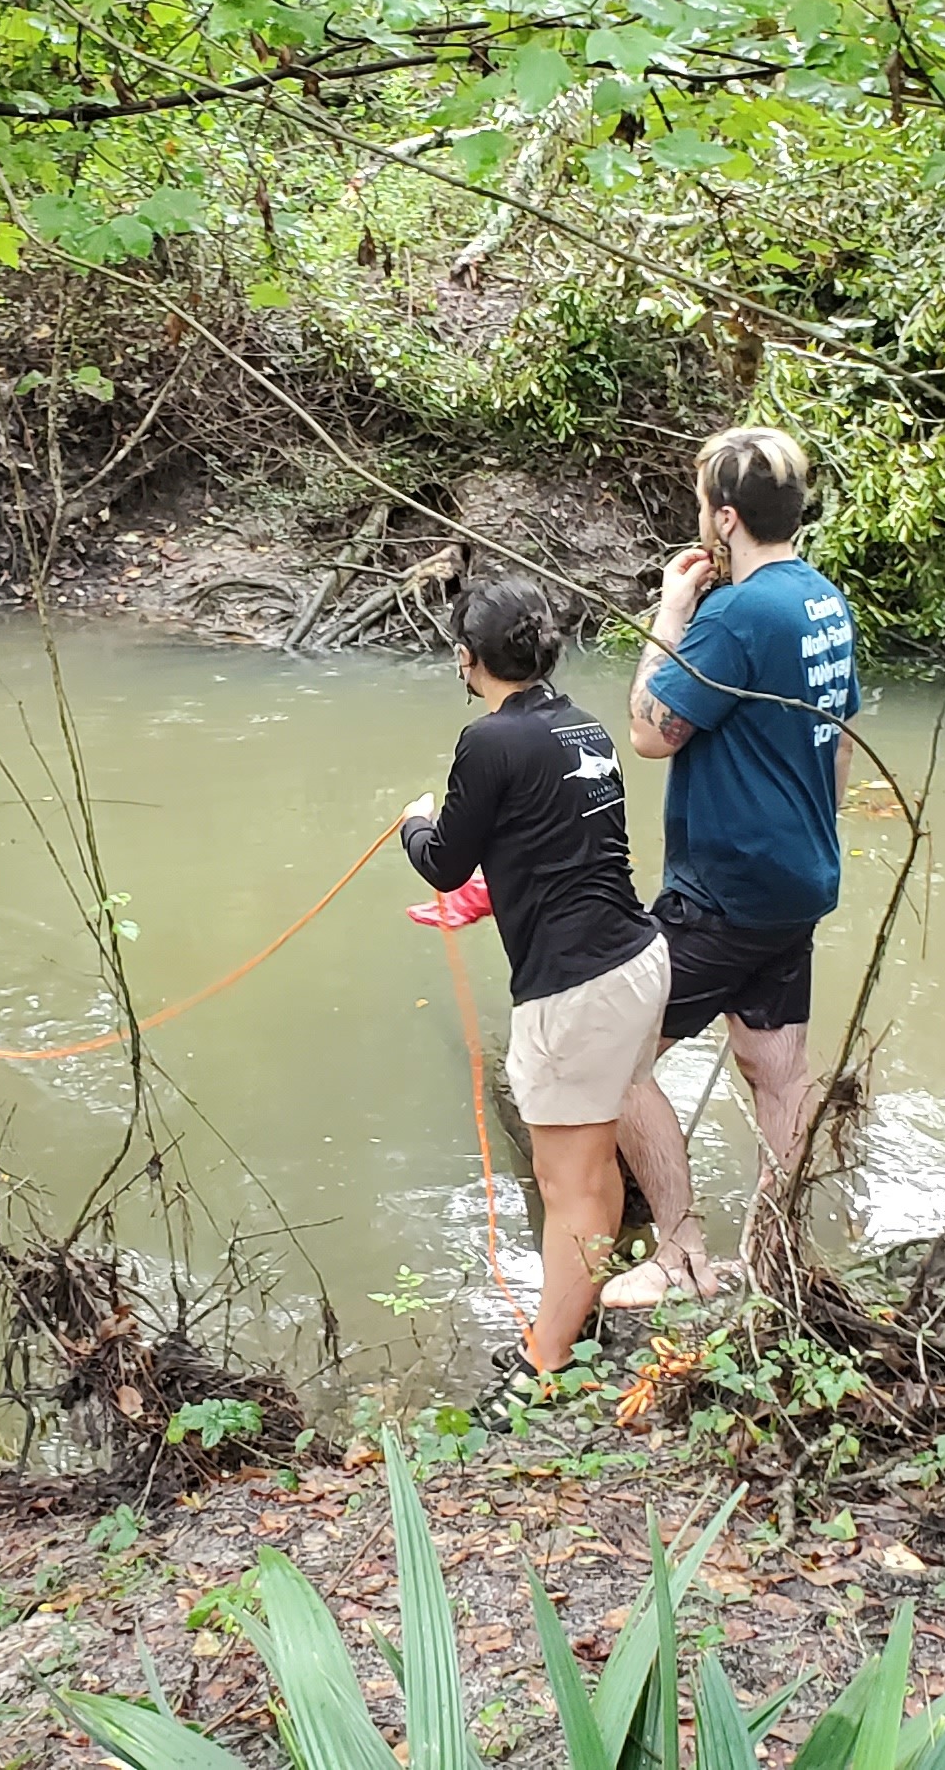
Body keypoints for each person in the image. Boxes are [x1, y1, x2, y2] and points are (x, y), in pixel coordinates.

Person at [398, 574, 671, 1405]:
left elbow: (445, 859)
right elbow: (556, 839)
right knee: (591, 1169)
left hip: (575, 989)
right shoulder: (583, 726)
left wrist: (412, 821)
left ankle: (545, 1364)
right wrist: (495, 888)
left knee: (568, 1184)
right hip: (637, 960)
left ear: (466, 658)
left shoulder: (489, 741)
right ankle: (578, 1321)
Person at [607, 426, 858, 1302]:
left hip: (726, 891)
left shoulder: (736, 615)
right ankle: (775, 1248)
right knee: (776, 1067)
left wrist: (671, 615)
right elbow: (839, 744)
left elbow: (648, 731)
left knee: (614, 1060)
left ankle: (678, 1258)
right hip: (800, 880)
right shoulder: (823, 600)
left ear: (722, 519)